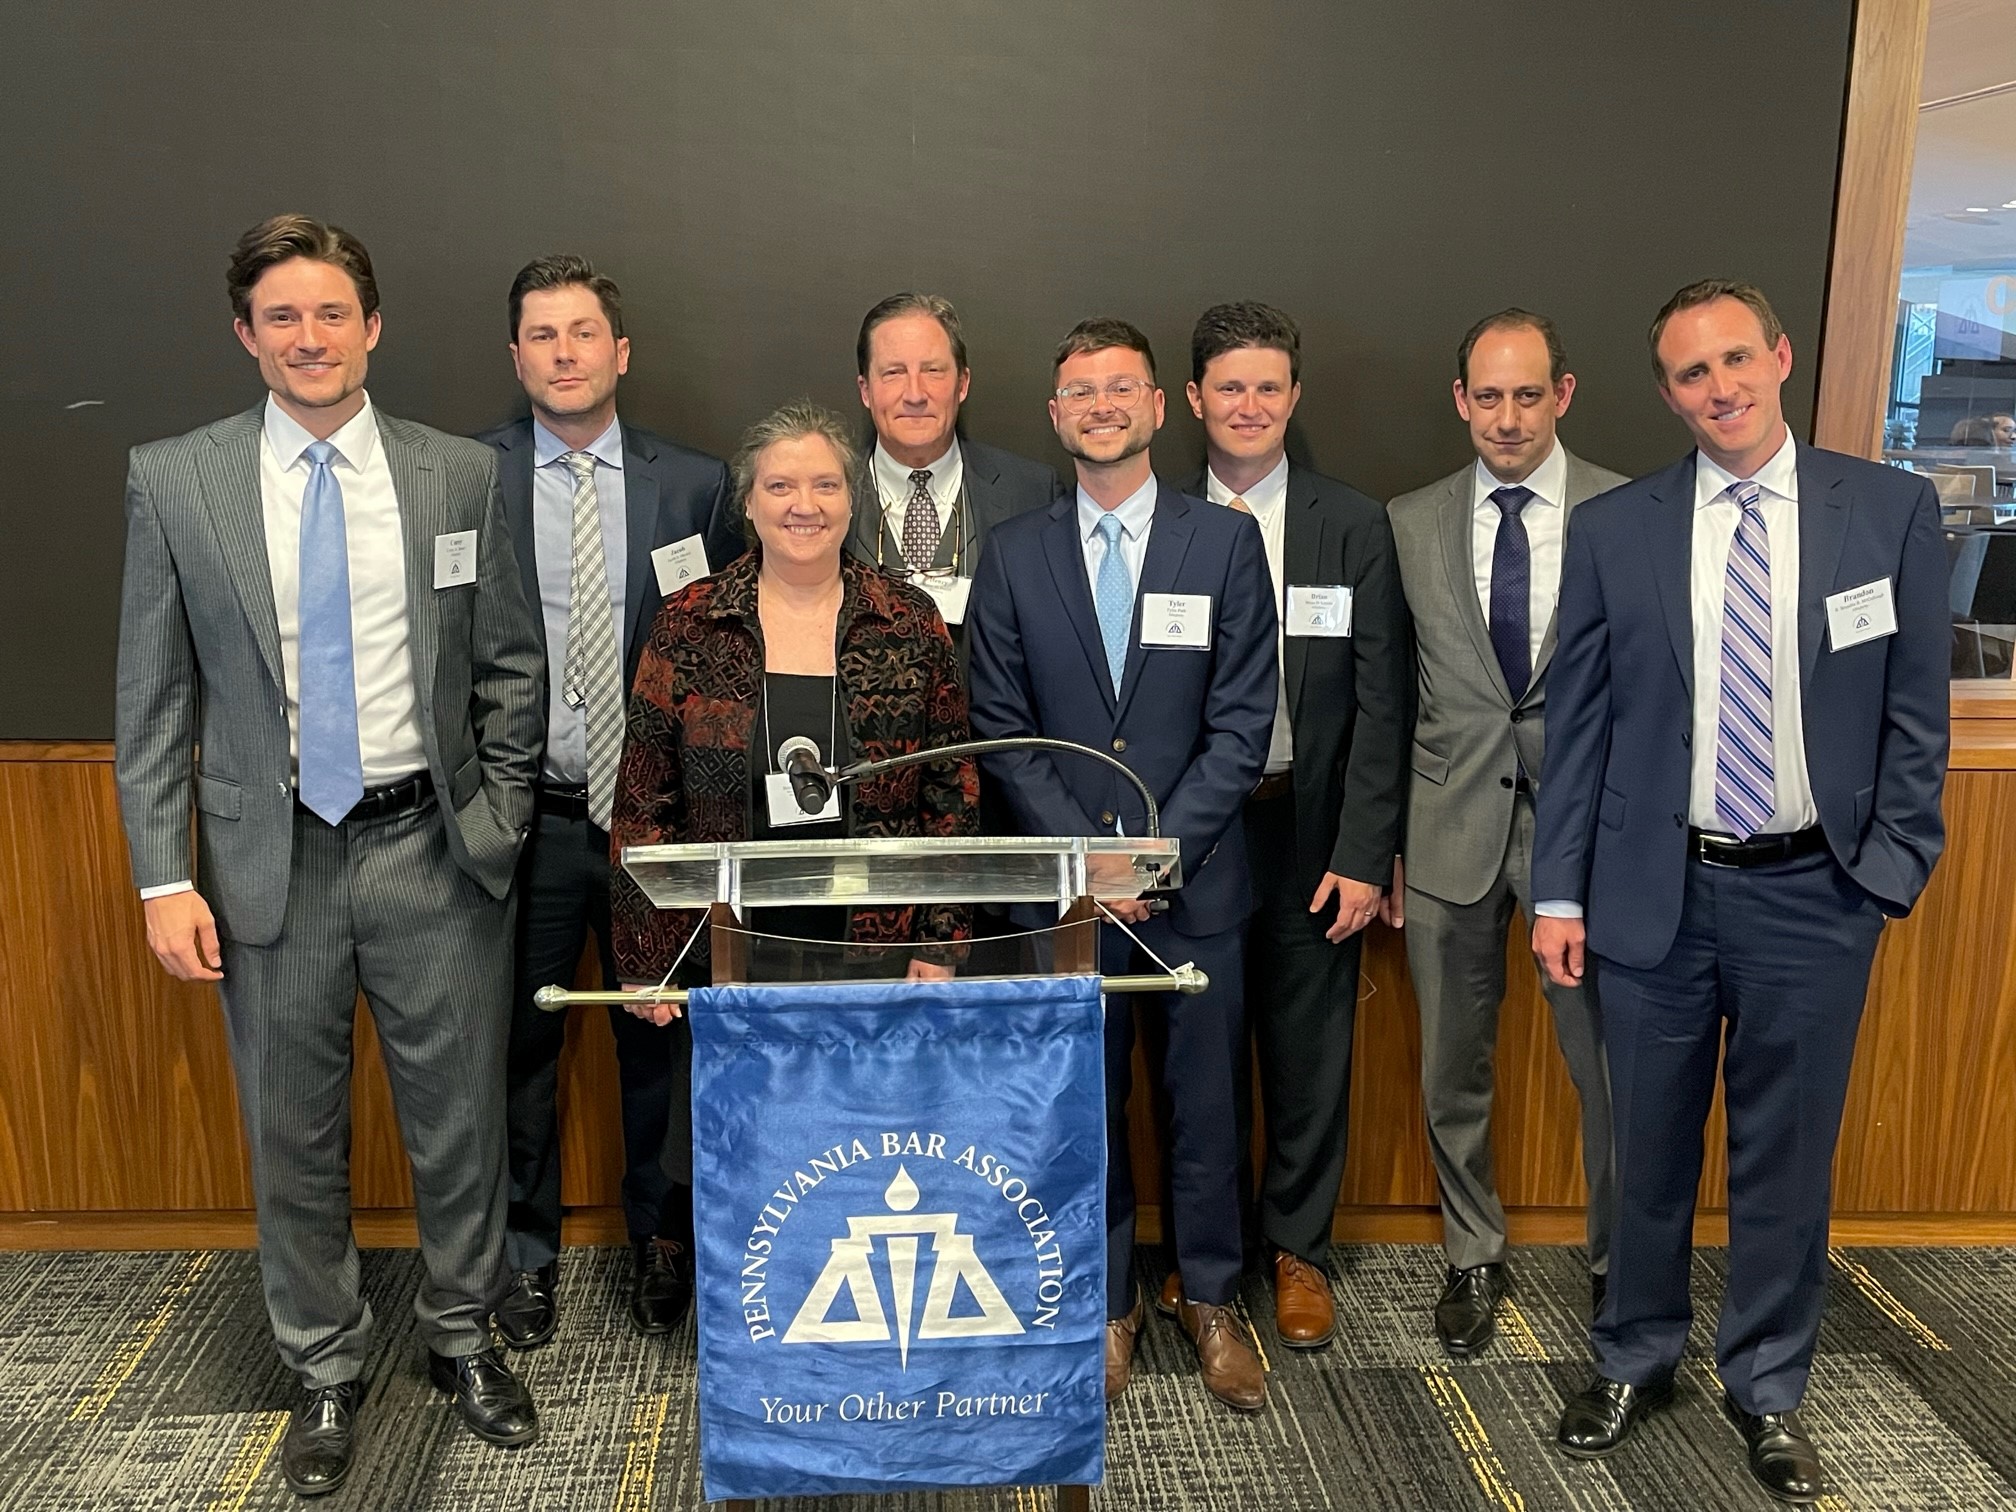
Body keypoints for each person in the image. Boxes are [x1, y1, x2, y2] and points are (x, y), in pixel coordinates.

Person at [113, 215, 546, 1498]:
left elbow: (510, 666)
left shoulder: (454, 476)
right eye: (283, 317)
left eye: (333, 314)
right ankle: (322, 1365)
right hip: (271, 863)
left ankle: (464, 1339)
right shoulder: (175, 480)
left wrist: (502, 819)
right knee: (289, 1132)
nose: (312, 338)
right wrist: (159, 872)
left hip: (433, 850)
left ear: (375, 326)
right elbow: (153, 699)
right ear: (246, 334)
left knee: (459, 1119)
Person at [1532, 280, 1948, 1502]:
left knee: (1787, 1158)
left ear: (1780, 356)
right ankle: (1634, 1357)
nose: (1718, 389)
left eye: (1734, 361)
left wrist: (1893, 866)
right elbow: (1583, 728)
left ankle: (1767, 1385)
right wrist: (1559, 894)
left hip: (1817, 897)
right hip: (1655, 891)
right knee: (1648, 1147)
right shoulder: (1620, 529)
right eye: (1688, 375)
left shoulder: (1889, 511)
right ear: (1666, 394)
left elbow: (1915, 712)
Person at [967, 318, 1278, 1412]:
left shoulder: (1225, 542)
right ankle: (1106, 1305)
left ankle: (1210, 1297)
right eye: (1079, 393)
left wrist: (1154, 853)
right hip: (1065, 894)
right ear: (1056, 418)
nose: (1100, 405)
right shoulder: (1012, 552)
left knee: (1204, 1103)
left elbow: (1242, 726)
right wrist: (1088, 861)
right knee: (1080, 1107)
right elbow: (1002, 724)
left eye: (1120, 388)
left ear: (1158, 407)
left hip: (1195, 888)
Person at [476, 255, 740, 1354]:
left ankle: (663, 1245)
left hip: (658, 827)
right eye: (544, 335)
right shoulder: (466, 477)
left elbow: (732, 652)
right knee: (517, 1050)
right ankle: (524, 1257)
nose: (567, 353)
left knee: (665, 1044)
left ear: (620, 352)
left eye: (585, 333)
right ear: (517, 355)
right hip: (526, 821)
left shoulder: (698, 486)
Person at [1155, 302, 1411, 1351]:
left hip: (1309, 827)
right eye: (1230, 386)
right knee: (1197, 1060)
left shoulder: (1351, 525)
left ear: (1294, 398)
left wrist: (1364, 851)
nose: (1250, 405)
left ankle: (1298, 1250)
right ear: (1194, 401)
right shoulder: (1159, 522)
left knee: (1309, 1052)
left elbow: (1386, 701)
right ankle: (1199, 1251)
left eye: (1269, 387)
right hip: (1200, 835)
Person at [1386, 309, 1625, 1357]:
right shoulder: (1409, 522)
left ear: (1563, 395)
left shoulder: (1629, 513)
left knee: (1609, 1069)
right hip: (1446, 828)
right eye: (1490, 395)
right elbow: (1389, 697)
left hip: (1590, 837)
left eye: (1530, 394)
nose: (1510, 416)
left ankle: (1622, 1266)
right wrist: (1383, 845)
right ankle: (1472, 1254)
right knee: (1452, 1064)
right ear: (1461, 402)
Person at [609, 400, 978, 1005]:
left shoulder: (908, 621)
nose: (804, 506)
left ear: (851, 500)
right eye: (780, 486)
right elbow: (645, 802)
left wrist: (940, 942)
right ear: (749, 504)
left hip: (878, 959)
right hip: (722, 953)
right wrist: (649, 953)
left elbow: (950, 791)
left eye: (825, 485)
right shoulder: (690, 623)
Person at [847, 291, 1059, 643]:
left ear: (962, 384)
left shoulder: (1032, 493)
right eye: (894, 373)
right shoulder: (821, 498)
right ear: (865, 390)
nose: (915, 394)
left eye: (933, 371)